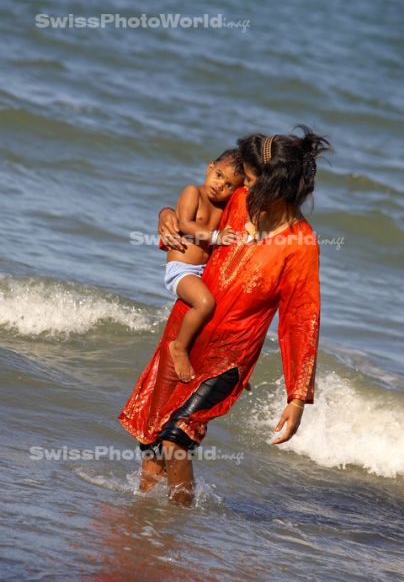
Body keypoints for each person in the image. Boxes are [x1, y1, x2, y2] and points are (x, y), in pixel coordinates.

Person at [118, 126, 331, 507]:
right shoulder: (239, 203)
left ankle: (176, 525)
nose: (242, 187)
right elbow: (196, 213)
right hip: (184, 334)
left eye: (249, 180)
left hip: (229, 355)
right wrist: (166, 214)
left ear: (274, 184)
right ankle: (145, 529)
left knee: (177, 438)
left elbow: (301, 319)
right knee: (150, 440)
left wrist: (297, 397)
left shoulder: (301, 245)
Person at [163, 149, 244, 382]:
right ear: (209, 167)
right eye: (219, 175)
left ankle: (224, 363)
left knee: (222, 313)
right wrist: (217, 237)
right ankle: (179, 347)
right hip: (181, 269)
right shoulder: (193, 192)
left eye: (229, 185)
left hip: (203, 272)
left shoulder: (223, 208)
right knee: (205, 303)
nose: (220, 186)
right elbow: (185, 224)